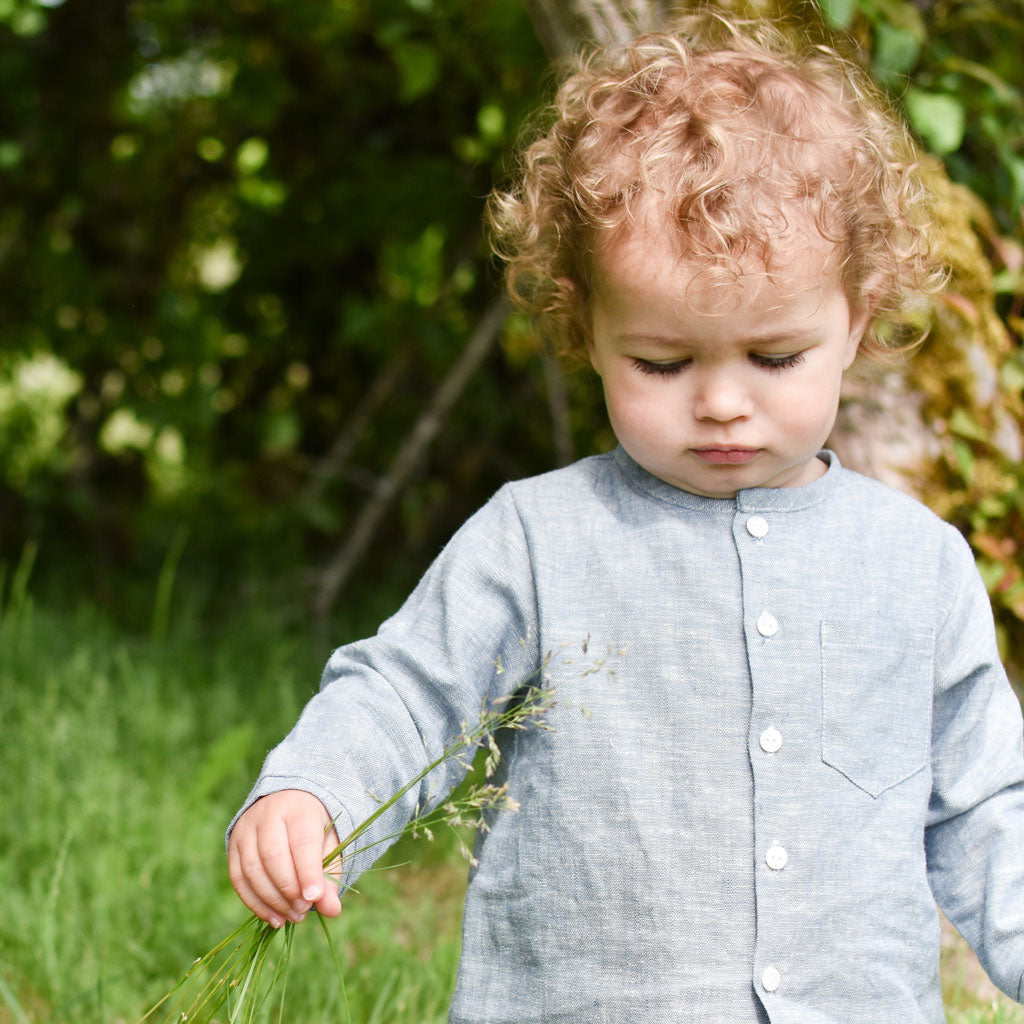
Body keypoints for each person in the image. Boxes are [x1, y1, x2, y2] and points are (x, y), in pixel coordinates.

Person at [227, 12, 1024, 1022]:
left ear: (857, 317)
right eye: (662, 361)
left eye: (773, 356)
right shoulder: (537, 540)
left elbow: (990, 809)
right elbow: (408, 692)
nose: (722, 401)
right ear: (587, 327)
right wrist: (312, 793)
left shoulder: (918, 564)